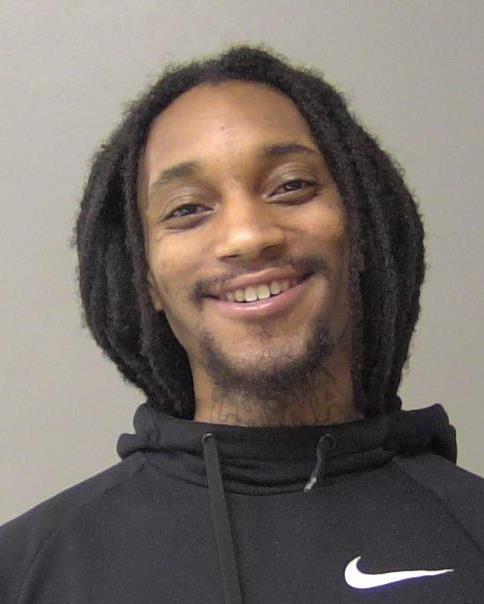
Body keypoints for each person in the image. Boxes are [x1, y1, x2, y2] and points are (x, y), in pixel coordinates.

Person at [1, 45, 483, 604]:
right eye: (187, 209)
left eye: (291, 185)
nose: (248, 236)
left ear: (359, 231)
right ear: (146, 278)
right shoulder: (24, 571)